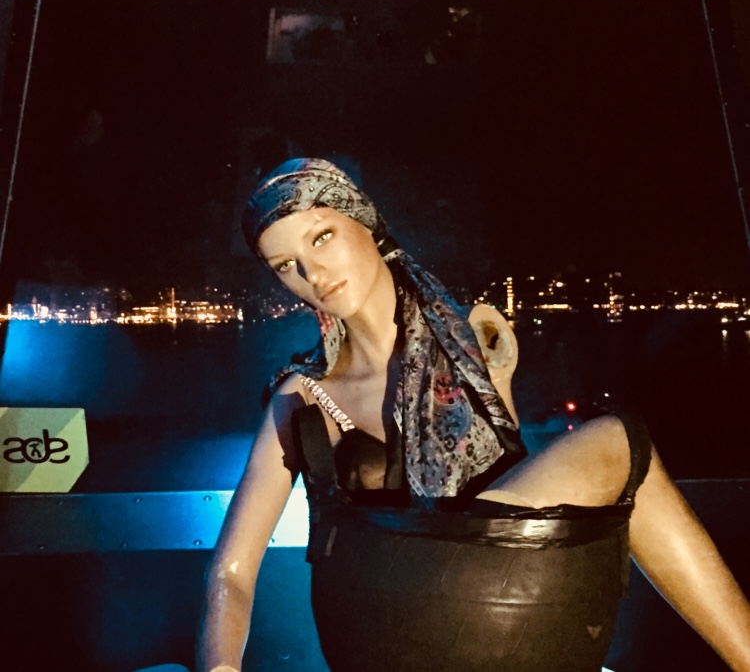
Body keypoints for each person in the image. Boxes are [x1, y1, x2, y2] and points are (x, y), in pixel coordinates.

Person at [197, 158, 750, 672]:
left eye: (322, 237)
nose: (313, 272)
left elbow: (503, 476)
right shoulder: (303, 395)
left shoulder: (466, 343)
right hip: (387, 625)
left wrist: (499, 380)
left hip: (487, 610)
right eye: (286, 266)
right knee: (617, 440)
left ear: (365, 221)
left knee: (617, 446)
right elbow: (231, 571)